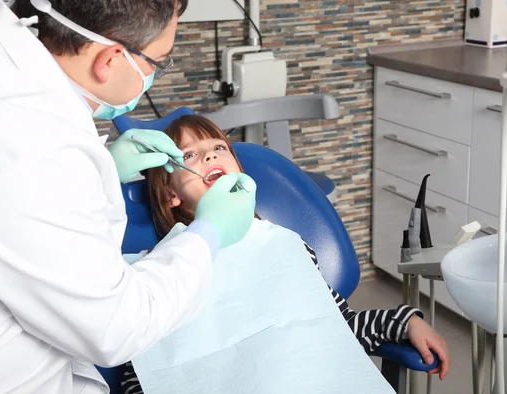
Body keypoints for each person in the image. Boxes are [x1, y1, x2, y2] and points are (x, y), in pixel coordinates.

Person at [0, 1, 256, 393]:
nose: (209, 157)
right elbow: (117, 328)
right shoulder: (33, 152)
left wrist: (104, 171)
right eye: (157, 63)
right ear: (110, 60)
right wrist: (208, 233)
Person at [120, 115, 451, 393]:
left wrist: (403, 321)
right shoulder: (161, 271)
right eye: (190, 155)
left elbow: (337, 325)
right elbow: (149, 370)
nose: (210, 156)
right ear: (169, 196)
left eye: (220, 148)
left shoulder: (285, 247)